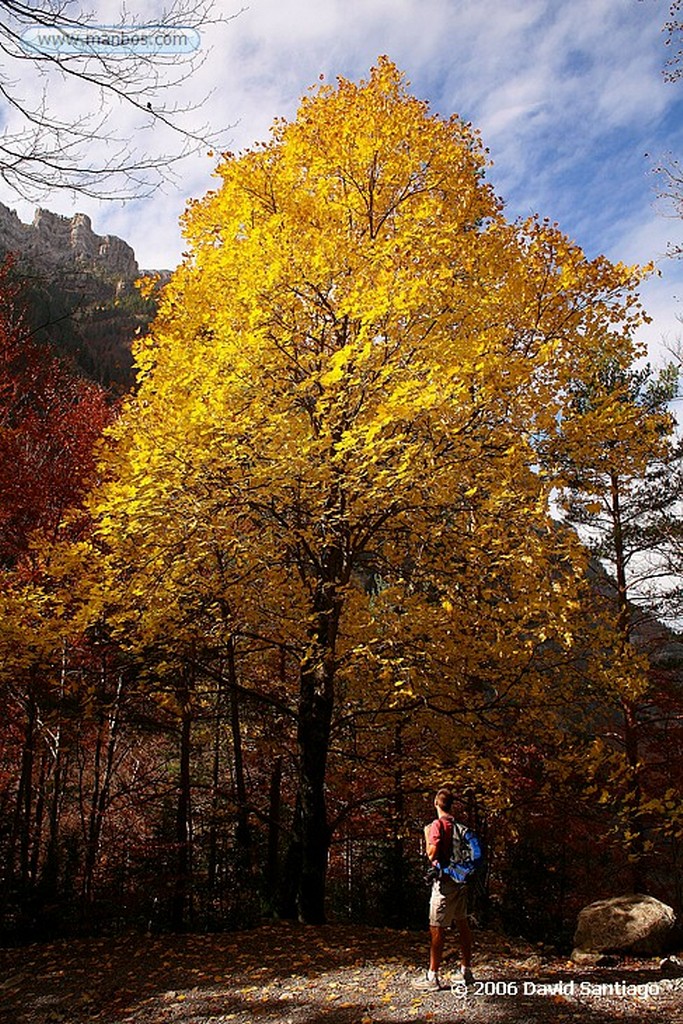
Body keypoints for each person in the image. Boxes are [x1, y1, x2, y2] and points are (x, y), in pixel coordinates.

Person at [412, 787, 474, 991]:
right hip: (463, 881)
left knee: (436, 928)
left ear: (436, 804)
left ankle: (432, 977)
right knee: (462, 923)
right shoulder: (460, 828)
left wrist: (427, 838)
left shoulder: (437, 826)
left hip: (445, 883)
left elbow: (432, 854)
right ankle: (466, 971)